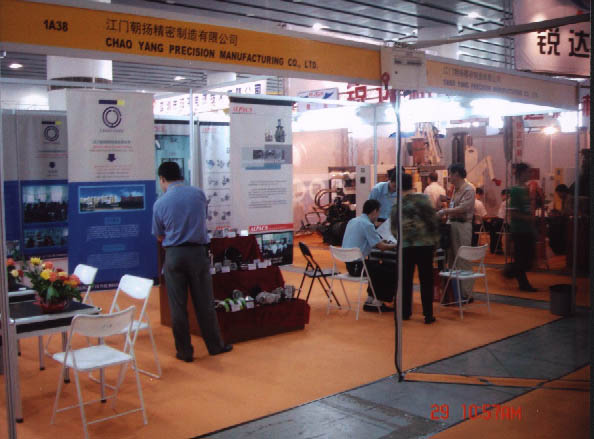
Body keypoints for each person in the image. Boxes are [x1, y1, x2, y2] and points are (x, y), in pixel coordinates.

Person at [152, 161, 232, 362]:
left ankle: (185, 352)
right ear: (181, 175)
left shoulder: (160, 203)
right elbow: (203, 218)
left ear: (162, 179)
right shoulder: (198, 194)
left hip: (174, 256)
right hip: (198, 254)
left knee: (178, 307)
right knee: (205, 303)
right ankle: (215, 346)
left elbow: (159, 235)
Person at [392, 173, 439, 324]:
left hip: (406, 247)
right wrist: (435, 241)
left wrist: (402, 238)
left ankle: (405, 312)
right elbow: (433, 221)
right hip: (425, 245)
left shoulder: (397, 204)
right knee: (426, 280)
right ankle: (428, 314)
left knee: (405, 280)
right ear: (412, 184)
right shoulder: (424, 199)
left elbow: (394, 228)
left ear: (398, 186)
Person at [342, 199, 397, 312]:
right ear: (374, 211)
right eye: (379, 212)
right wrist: (396, 245)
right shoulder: (367, 225)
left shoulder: (353, 221)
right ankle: (379, 301)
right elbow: (381, 247)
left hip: (349, 265)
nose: (378, 215)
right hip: (358, 267)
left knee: (376, 266)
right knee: (389, 270)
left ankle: (371, 299)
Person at [437, 163, 475, 301]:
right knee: (452, 260)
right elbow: (455, 206)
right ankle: (456, 293)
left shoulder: (468, 189)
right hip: (452, 225)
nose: (449, 177)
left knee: (463, 259)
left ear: (457, 174)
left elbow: (463, 208)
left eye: (450, 174)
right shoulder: (456, 190)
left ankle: (466, 294)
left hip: (462, 226)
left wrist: (444, 211)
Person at [505, 162, 537, 292]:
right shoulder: (515, 190)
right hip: (519, 229)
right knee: (522, 258)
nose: (530, 174)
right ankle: (521, 281)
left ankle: (512, 271)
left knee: (527, 257)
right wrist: (527, 218)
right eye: (528, 172)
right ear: (522, 173)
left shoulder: (525, 189)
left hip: (527, 228)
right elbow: (513, 213)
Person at [488, 189, 508, 254]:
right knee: (493, 224)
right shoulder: (507, 202)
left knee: (492, 227)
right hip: (505, 223)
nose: (501, 197)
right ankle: (497, 248)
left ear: (504, 195)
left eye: (502, 195)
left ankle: (494, 248)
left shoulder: (505, 203)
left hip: (504, 223)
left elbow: (501, 216)